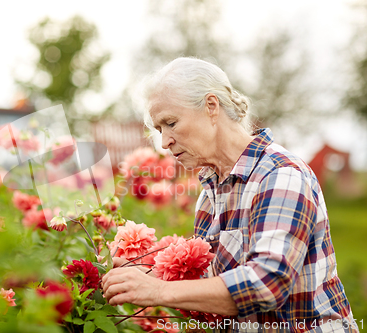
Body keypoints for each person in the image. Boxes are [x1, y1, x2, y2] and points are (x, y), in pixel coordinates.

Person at [101, 57, 358, 332]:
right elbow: (216, 285)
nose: (164, 142)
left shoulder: (280, 174)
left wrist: (158, 290)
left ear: (212, 107)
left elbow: (267, 283)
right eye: (159, 129)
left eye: (171, 123)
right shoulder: (211, 192)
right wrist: (147, 274)